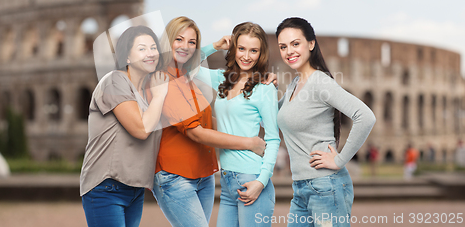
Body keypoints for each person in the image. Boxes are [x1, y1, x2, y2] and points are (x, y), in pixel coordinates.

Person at [152, 17, 270, 227]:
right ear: (167, 42)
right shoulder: (164, 79)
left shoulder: (187, 78)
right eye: (179, 39)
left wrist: (262, 84)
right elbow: (196, 132)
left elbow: (212, 120)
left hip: (204, 175)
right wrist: (249, 142)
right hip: (175, 176)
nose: (186, 47)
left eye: (192, 42)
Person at [275, 17, 376, 227]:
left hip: (325, 186)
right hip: (302, 188)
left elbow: (365, 117)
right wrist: (266, 88)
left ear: (311, 44)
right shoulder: (295, 84)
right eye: (283, 46)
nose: (288, 51)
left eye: (295, 44)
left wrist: (339, 161)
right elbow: (274, 115)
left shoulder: (320, 81)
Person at [80, 25, 169, 227]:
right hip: (107, 186)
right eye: (142, 48)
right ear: (126, 57)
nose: (150, 53)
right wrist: (160, 95)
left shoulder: (145, 95)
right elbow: (141, 129)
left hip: (134, 188)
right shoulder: (114, 81)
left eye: (154, 47)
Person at [198, 22, 280, 227]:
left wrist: (260, 182)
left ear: (261, 54)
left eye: (254, 50)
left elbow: (273, 137)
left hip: (251, 178)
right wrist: (214, 46)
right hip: (227, 180)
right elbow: (182, 66)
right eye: (241, 48)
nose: (246, 56)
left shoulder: (265, 88)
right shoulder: (222, 79)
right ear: (234, 48)